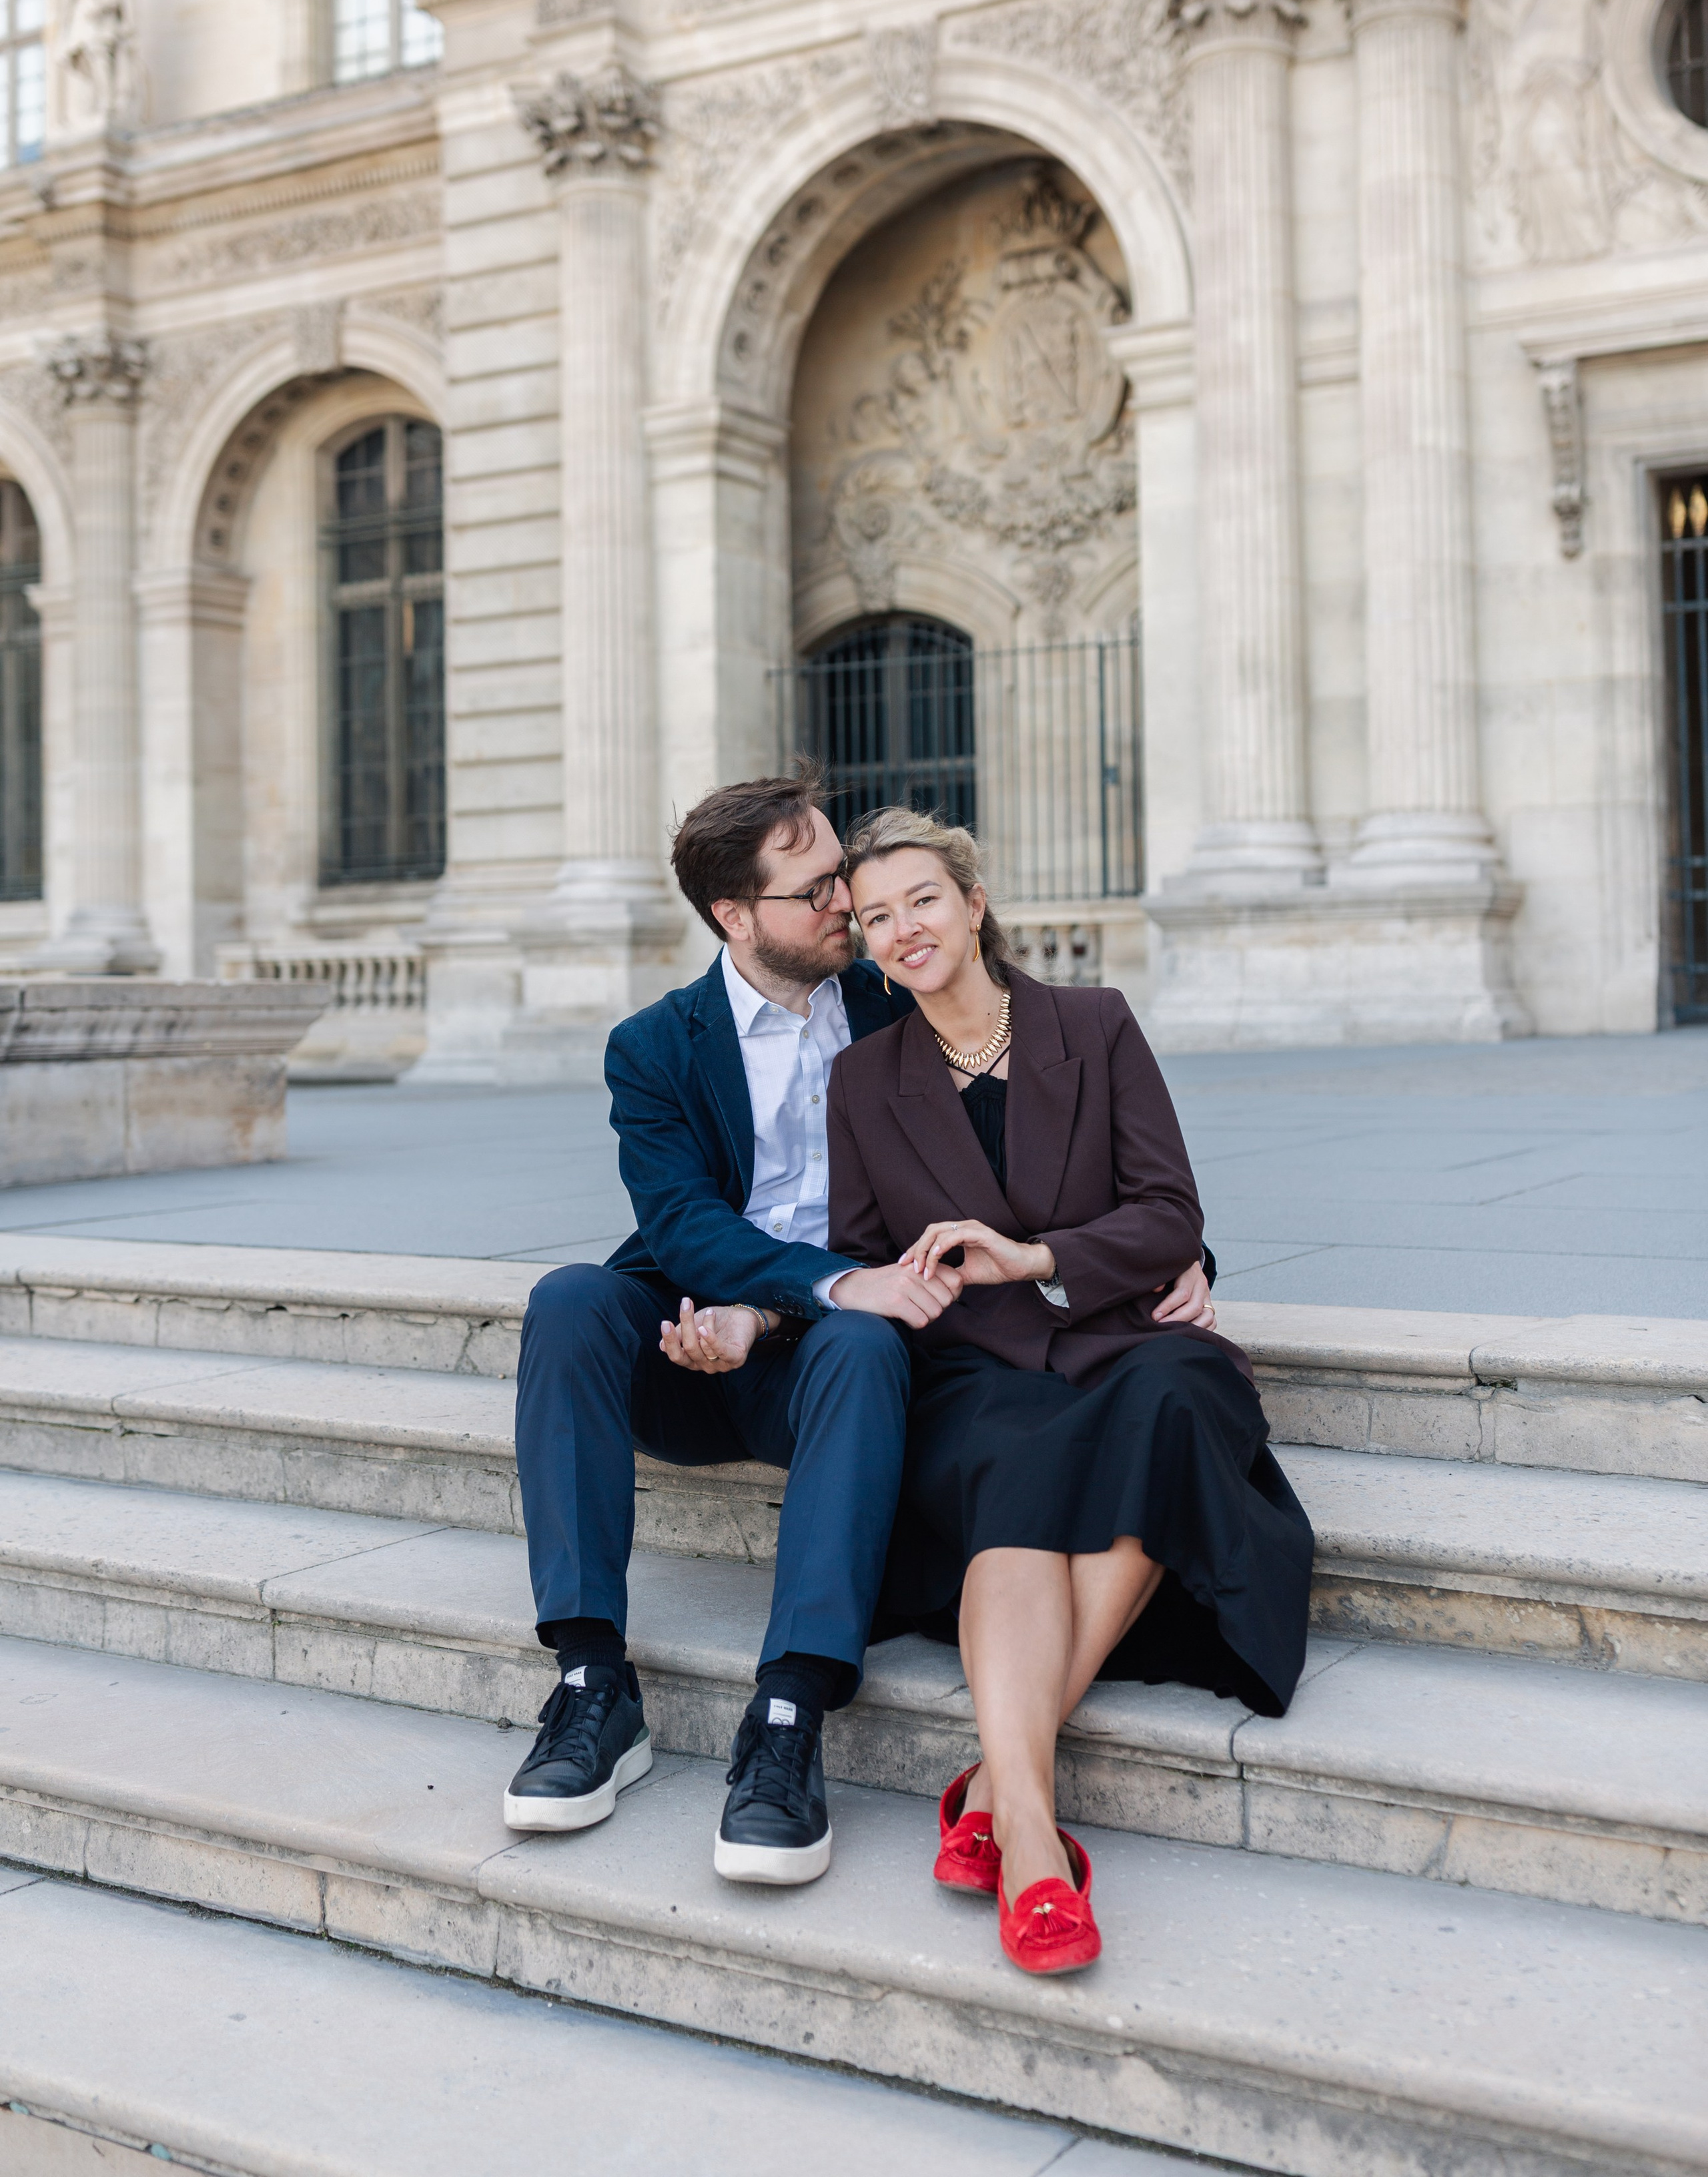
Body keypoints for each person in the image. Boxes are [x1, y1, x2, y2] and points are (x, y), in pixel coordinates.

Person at [508, 770, 1218, 1889]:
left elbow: (1039, 1126)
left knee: (863, 1338)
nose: (853, 906)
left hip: (847, 1354)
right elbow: (682, 1222)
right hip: (707, 1327)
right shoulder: (652, 1046)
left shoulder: (895, 996)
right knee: (567, 1301)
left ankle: (789, 1711)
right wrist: (780, 1298)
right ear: (736, 917)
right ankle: (592, 1683)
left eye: (849, 877)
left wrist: (1172, 1247)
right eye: (821, 891)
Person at [827, 807, 1313, 1977]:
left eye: (922, 901)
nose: (903, 930)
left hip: (1119, 1333)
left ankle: (999, 1783)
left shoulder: (1092, 1026)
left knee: (1176, 1401)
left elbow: (1168, 1209)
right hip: (975, 1365)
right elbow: (858, 1248)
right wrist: (894, 1285)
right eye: (876, 918)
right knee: (1018, 1465)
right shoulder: (862, 1077)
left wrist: (1035, 1255)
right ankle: (1037, 1845)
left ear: (975, 902)